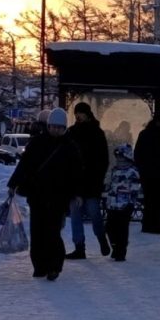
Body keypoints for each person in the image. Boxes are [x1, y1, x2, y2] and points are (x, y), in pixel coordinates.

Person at [7, 106, 83, 281]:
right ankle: (40, 266)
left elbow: (77, 172)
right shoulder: (37, 143)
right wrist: (13, 184)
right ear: (48, 126)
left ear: (64, 128)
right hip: (38, 194)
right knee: (38, 231)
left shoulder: (70, 147)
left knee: (53, 231)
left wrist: (77, 193)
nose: (55, 130)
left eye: (59, 127)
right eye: (53, 126)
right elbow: (24, 166)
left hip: (59, 196)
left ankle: (54, 266)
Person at [66, 101, 111, 259]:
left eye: (80, 113)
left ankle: (101, 238)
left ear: (87, 114)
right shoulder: (72, 133)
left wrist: (98, 176)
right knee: (76, 215)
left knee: (94, 213)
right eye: (76, 113)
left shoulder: (96, 133)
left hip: (91, 181)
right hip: (77, 182)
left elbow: (103, 159)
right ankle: (80, 247)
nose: (78, 116)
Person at [135, 108, 160, 234]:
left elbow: (138, 154)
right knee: (157, 200)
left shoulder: (145, 133)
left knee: (149, 199)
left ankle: (148, 223)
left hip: (147, 173)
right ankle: (155, 223)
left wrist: (141, 168)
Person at [104, 144, 140, 262]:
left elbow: (135, 188)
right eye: (118, 157)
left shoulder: (132, 171)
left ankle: (121, 251)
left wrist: (131, 202)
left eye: (121, 157)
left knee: (122, 229)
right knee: (109, 227)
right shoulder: (114, 170)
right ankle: (115, 247)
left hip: (125, 205)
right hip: (112, 204)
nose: (119, 160)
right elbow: (110, 185)